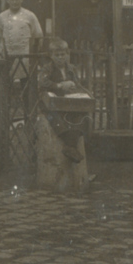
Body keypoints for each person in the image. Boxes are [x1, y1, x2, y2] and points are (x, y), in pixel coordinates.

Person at [37, 37, 92, 169]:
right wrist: (60, 85)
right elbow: (42, 82)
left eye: (63, 54)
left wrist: (77, 88)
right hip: (51, 102)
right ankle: (70, 145)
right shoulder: (47, 68)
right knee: (54, 117)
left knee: (83, 116)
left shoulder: (71, 68)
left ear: (68, 54)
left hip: (68, 101)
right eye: (57, 55)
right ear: (51, 56)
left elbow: (77, 83)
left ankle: (69, 147)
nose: (60, 58)